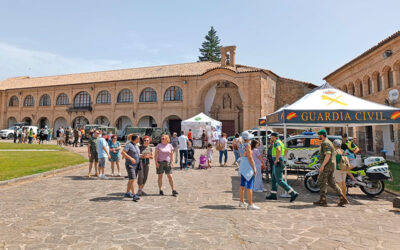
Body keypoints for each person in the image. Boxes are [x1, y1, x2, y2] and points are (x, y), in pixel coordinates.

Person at [313, 129, 348, 207]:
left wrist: (322, 166)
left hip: (327, 166)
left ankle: (323, 200)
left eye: (319, 135)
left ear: (322, 135)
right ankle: (342, 198)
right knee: (332, 183)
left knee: (322, 181)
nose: (318, 136)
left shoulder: (325, 143)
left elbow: (328, 155)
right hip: (331, 166)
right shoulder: (329, 143)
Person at [266, 132, 298, 202]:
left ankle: (293, 193)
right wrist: (282, 157)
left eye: (271, 137)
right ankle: (273, 195)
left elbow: (279, 150)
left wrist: (277, 159)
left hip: (278, 163)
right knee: (274, 179)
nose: (270, 138)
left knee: (279, 180)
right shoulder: (281, 142)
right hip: (279, 162)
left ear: (274, 137)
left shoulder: (276, 142)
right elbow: (286, 150)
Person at [238, 131, 259, 210]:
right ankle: (250, 204)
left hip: (243, 166)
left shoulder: (241, 145)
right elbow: (250, 157)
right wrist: (254, 168)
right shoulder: (248, 146)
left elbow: (243, 155)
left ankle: (242, 201)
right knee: (250, 185)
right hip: (248, 166)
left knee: (242, 184)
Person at [121, 134, 141, 201]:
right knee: (133, 179)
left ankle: (127, 193)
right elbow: (123, 152)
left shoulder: (136, 145)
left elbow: (136, 154)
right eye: (138, 138)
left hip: (136, 165)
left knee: (131, 179)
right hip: (130, 165)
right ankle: (134, 194)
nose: (139, 139)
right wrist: (131, 158)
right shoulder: (129, 145)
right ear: (135, 139)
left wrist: (143, 155)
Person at [333, 139, 350, 203]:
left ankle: (341, 199)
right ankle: (345, 198)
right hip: (344, 169)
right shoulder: (343, 151)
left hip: (337, 169)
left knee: (339, 184)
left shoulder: (336, 152)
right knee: (343, 183)